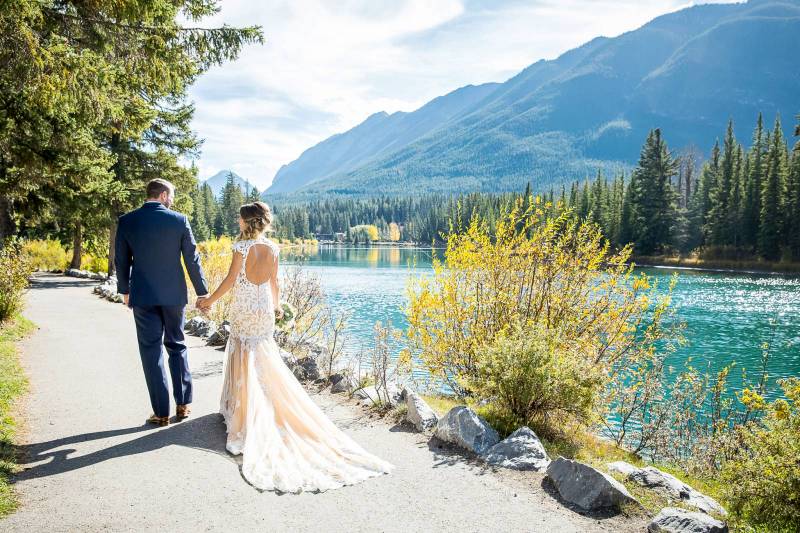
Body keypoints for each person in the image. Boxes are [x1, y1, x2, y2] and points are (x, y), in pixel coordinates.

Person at [197, 201, 394, 493]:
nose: (237, 223)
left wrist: (209, 300)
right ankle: (262, 408)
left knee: (244, 356)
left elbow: (229, 280)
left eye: (240, 219)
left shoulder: (241, 249)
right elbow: (274, 282)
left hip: (244, 308)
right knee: (263, 358)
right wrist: (277, 308)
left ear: (247, 221)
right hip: (263, 309)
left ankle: (242, 415)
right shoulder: (273, 249)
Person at [115, 178, 209, 426]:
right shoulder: (179, 220)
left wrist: (124, 289)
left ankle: (160, 412)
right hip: (173, 296)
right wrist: (202, 292)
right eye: (172, 196)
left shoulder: (127, 221)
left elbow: (121, 260)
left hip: (142, 295)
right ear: (164, 195)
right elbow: (192, 259)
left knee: (151, 350)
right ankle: (183, 405)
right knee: (177, 345)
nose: (173, 200)